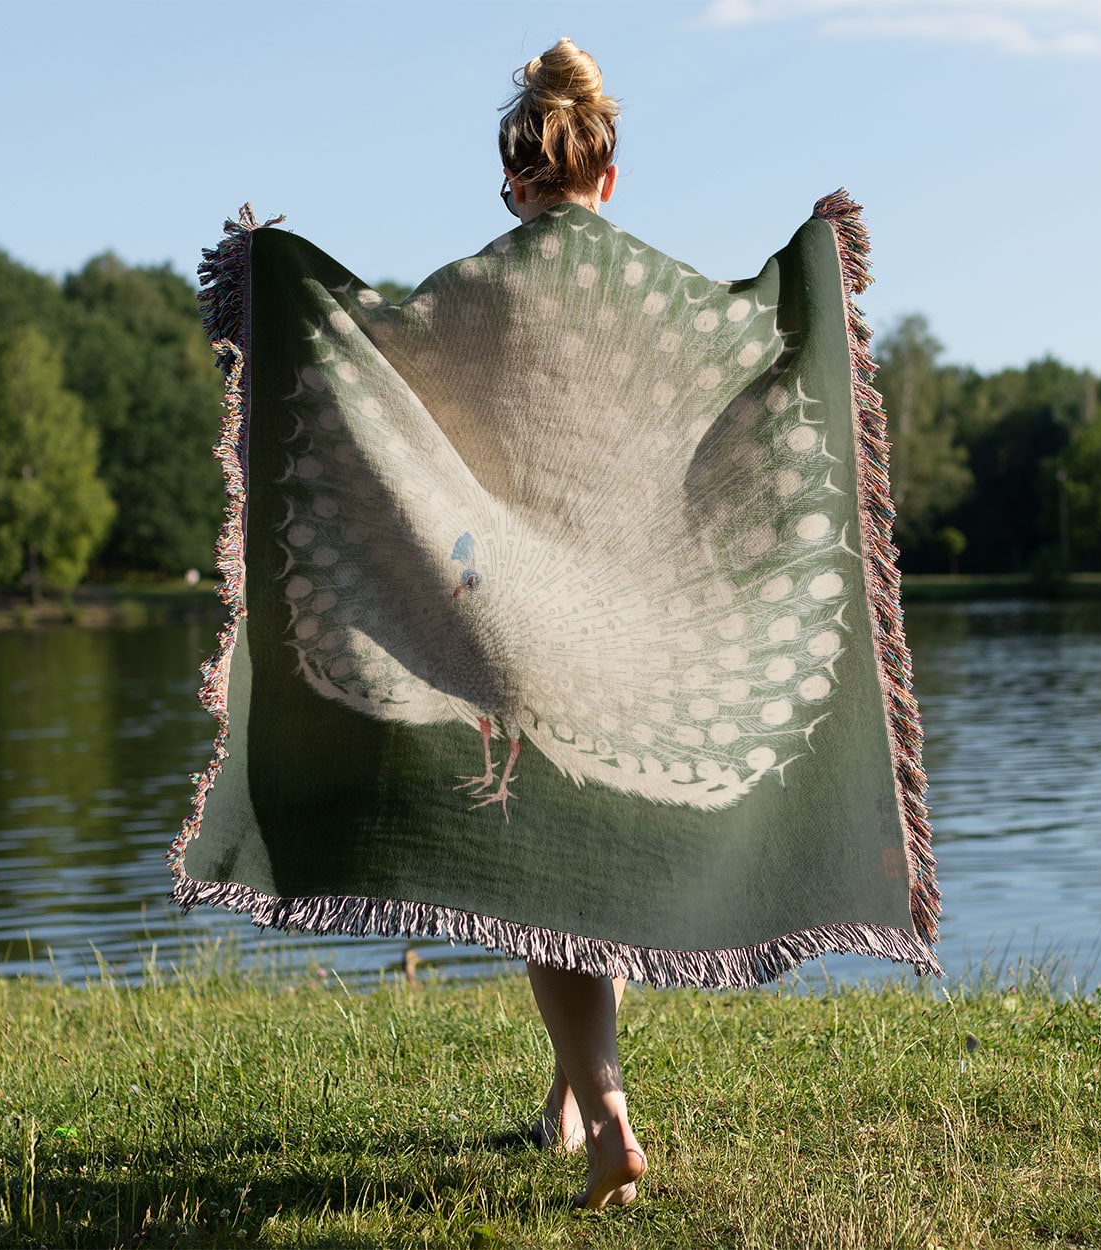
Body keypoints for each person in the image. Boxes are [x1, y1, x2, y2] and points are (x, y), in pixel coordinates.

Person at [496, 37, 646, 1212]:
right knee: (588, 866)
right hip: (632, 612)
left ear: (516, 182)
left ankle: (606, 1117)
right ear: (605, 175)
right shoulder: (649, 293)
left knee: (542, 882)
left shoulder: (479, 287)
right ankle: (562, 1100)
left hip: (516, 615)